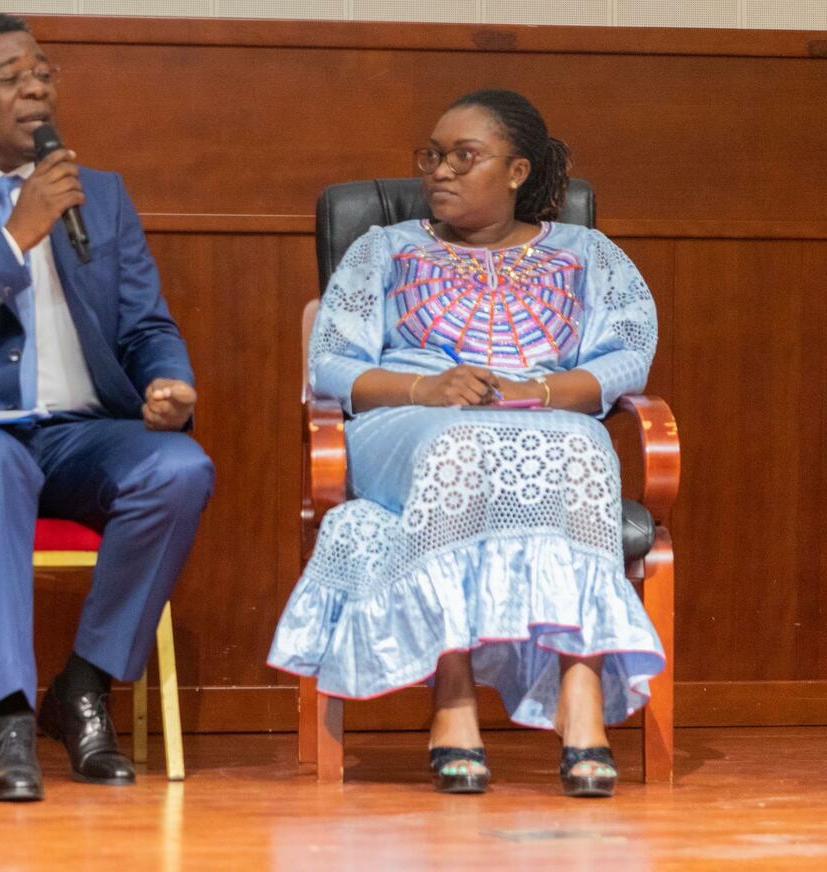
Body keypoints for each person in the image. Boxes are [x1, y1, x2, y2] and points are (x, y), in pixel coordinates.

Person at [0, 13, 215, 802]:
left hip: (84, 436)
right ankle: (8, 721)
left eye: (43, 73)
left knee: (180, 469)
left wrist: (169, 381)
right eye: (11, 78)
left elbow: (146, 325)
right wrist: (12, 241)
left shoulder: (101, 196)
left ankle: (83, 686)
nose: (35, 91)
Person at [269, 89, 665, 798]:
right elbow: (330, 363)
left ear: (516, 172)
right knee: (458, 442)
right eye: (433, 156)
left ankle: (580, 697)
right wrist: (426, 388)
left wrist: (536, 391)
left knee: (584, 450)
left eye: (463, 156)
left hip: (546, 415)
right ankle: (452, 698)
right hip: (409, 419)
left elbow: (626, 358)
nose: (440, 171)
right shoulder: (384, 249)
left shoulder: (589, 255)